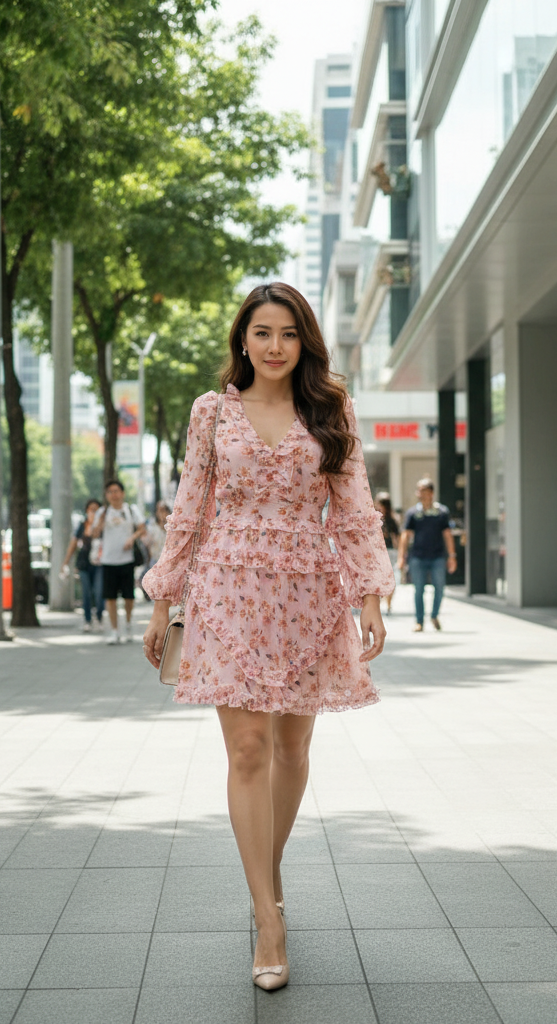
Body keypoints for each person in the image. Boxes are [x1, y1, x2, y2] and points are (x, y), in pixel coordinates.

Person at [142, 282, 393, 992]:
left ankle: (267, 869)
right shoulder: (212, 412)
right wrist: (164, 602)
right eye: (262, 333)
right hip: (227, 591)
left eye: (287, 333)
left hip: (309, 594)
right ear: (243, 340)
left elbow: (353, 512)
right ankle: (267, 916)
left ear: (303, 339)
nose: (275, 346)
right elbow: (189, 509)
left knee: (293, 746)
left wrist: (370, 596)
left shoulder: (330, 409)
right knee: (247, 748)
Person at [397, 478, 457, 631]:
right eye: (418, 490)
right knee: (418, 589)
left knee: (439, 588)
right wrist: (401, 557)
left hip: (437, 556)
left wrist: (452, 556)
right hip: (418, 557)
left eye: (422, 490)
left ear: (431, 493)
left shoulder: (441, 512)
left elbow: (448, 535)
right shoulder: (413, 513)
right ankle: (419, 621)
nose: (419, 494)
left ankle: (434, 615)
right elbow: (405, 536)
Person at [91, 480, 145, 644]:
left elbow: (142, 528)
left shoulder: (130, 510)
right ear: (106, 495)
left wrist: (132, 538)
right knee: (110, 598)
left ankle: (128, 624)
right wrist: (99, 522)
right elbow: (94, 534)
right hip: (108, 560)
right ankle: (115, 631)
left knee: (129, 597)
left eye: (116, 491)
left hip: (127, 560)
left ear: (122, 493)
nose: (113, 495)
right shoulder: (103, 512)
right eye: (110, 492)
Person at [60, 499, 104, 632]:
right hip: (84, 564)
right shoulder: (82, 525)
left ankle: (99, 617)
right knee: (86, 593)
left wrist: (97, 524)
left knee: (99, 592)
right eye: (91, 509)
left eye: (96, 509)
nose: (94, 512)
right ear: (86, 511)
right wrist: (65, 562)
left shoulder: (103, 526)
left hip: (100, 564)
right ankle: (87, 620)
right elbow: (73, 544)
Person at [138, 500, 170, 600]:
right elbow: (146, 542)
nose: (162, 513)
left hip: (170, 564)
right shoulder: (152, 528)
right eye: (160, 511)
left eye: (165, 510)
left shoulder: (174, 528)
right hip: (156, 563)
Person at [376, 492, 399, 614]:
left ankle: (389, 604)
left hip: (390, 552)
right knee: (379, 579)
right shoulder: (373, 518)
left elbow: (396, 538)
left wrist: (400, 554)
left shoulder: (392, 521)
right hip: (376, 553)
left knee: (390, 579)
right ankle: (378, 605)